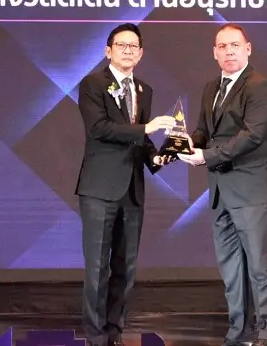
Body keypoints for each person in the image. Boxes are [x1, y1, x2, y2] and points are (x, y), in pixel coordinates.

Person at [179, 24, 267, 346]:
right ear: (214, 53)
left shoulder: (261, 87)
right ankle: (238, 332)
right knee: (231, 270)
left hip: (253, 191)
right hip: (220, 192)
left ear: (248, 48)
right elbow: (203, 130)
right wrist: (187, 144)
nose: (229, 51)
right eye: (222, 46)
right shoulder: (211, 88)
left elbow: (252, 136)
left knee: (260, 267)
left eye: (234, 45)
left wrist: (206, 156)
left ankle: (266, 334)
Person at [76, 23, 177, 346]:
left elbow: (140, 141)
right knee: (97, 269)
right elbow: (100, 129)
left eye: (134, 46)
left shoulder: (144, 90)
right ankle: (95, 338)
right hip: (99, 190)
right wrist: (146, 128)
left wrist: (157, 158)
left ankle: (114, 334)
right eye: (122, 45)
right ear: (108, 51)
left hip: (132, 191)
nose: (128, 51)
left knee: (125, 269)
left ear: (141, 54)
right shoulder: (92, 84)